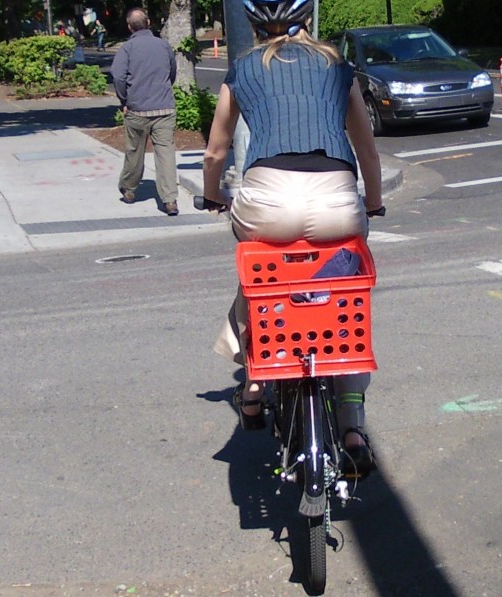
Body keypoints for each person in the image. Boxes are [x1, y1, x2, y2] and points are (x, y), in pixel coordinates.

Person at [202, 0, 384, 476]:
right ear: (307, 20)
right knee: (346, 294)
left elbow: (216, 151)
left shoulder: (243, 68)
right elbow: (365, 144)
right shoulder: (336, 67)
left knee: (260, 274)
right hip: (336, 202)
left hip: (267, 200)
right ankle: (350, 424)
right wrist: (373, 202)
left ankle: (256, 382)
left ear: (255, 25)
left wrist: (210, 195)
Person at [111, 7, 179, 216]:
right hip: (165, 108)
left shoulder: (127, 49)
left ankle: (130, 189)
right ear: (149, 23)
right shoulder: (163, 45)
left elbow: (118, 76)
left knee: (135, 151)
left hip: (137, 109)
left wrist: (125, 99)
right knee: (165, 154)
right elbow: (172, 72)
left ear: (130, 27)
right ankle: (169, 200)